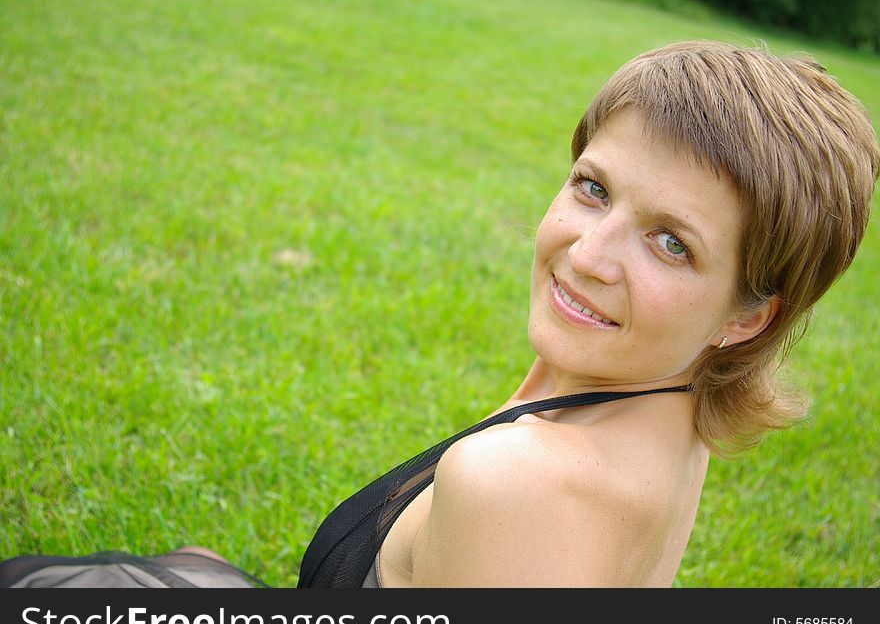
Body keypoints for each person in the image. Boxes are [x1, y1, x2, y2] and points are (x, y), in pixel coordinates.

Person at [2, 40, 877, 588]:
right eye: (593, 188)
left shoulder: (523, 484)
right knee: (183, 570)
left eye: (672, 242)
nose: (587, 254)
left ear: (747, 316)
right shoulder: (665, 400)